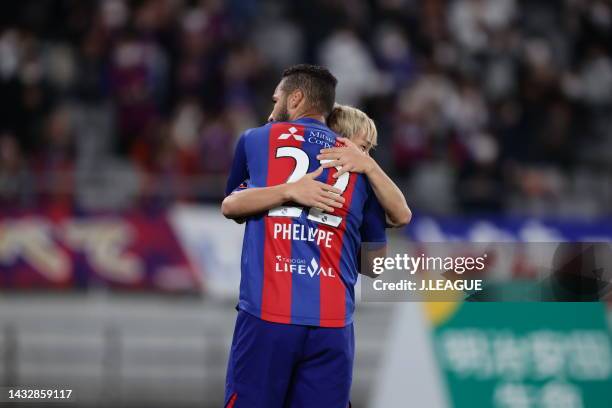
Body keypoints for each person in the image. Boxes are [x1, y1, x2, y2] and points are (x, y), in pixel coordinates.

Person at [221, 64, 407, 408]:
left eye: (276, 97)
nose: (272, 104)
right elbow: (377, 263)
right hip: (332, 324)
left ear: (295, 98)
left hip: (267, 316)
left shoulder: (257, 140)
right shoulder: (358, 165)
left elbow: (231, 205)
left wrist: (287, 192)